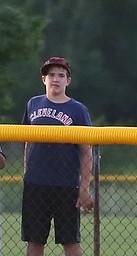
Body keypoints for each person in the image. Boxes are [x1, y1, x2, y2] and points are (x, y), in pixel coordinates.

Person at [21, 57, 94, 256]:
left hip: (66, 184)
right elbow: (27, 141)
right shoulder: (33, 104)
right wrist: (27, 171)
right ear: (43, 79)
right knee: (35, 242)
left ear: (68, 81)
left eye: (61, 75)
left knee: (70, 243)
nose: (56, 79)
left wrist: (85, 187)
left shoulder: (78, 110)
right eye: (51, 75)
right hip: (36, 183)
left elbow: (86, 151)